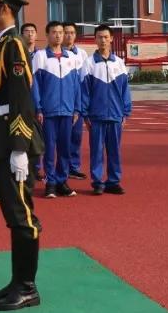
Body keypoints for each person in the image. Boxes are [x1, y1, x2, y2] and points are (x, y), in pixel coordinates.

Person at [0, 0, 43, 311]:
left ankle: (28, 286)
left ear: (4, 8)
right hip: (2, 131)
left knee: (22, 213)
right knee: (11, 210)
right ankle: (17, 280)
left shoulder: (14, 45)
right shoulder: (2, 45)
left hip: (14, 135)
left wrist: (20, 146)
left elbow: (21, 97)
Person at [80, 24, 132, 196]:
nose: (103, 40)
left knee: (114, 150)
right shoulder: (88, 63)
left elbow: (125, 90)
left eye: (105, 37)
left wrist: (126, 111)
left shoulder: (119, 63)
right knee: (96, 150)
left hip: (116, 114)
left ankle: (113, 181)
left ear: (111, 39)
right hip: (96, 115)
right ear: (95, 39)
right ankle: (97, 182)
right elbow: (84, 91)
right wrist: (85, 114)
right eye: (99, 37)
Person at [32, 22, 78, 198]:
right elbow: (35, 85)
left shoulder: (71, 58)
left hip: (67, 111)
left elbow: (76, 87)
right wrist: (39, 108)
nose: (59, 36)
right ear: (47, 34)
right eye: (54, 32)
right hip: (48, 112)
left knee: (65, 148)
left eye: (61, 32)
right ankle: (50, 182)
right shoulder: (40, 56)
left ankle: (62, 181)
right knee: (50, 149)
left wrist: (76, 109)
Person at [62, 22, 87, 180]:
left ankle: (73, 167)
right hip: (61, 102)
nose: (68, 35)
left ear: (75, 35)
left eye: (71, 32)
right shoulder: (55, 53)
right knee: (59, 138)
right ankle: (60, 167)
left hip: (77, 103)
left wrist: (82, 106)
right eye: (66, 32)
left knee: (76, 137)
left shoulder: (82, 54)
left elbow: (84, 81)